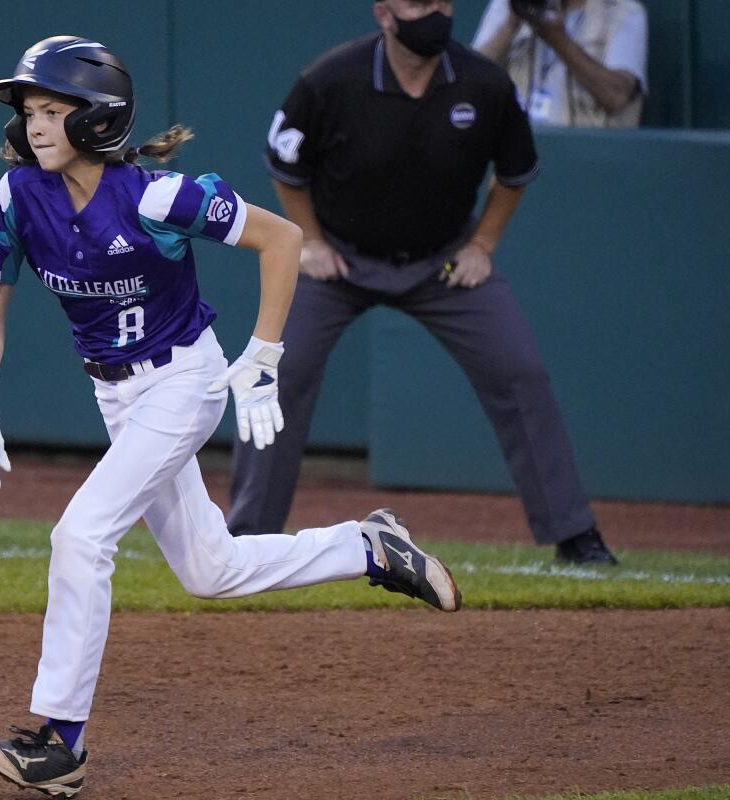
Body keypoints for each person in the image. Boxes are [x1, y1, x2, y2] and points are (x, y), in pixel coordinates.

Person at [0, 34, 462, 798]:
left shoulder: (156, 196)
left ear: (98, 119)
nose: (34, 124)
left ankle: (61, 744)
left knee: (81, 535)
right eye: (30, 109)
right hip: (116, 394)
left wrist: (262, 354)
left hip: (182, 383)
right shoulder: (20, 195)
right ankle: (369, 547)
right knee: (209, 570)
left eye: (54, 110)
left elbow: (283, 239)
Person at [228, 0, 619, 567]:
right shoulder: (331, 78)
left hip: (440, 262)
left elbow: (514, 175)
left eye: (442, 1)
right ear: (385, 14)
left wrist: (482, 246)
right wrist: (309, 241)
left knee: (519, 372)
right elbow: (286, 164)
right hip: (341, 259)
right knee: (279, 372)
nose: (434, 12)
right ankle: (248, 541)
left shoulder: (484, 84)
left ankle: (576, 535)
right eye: (418, 3)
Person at [472, 0, 648, 128]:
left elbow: (617, 96)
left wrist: (559, 40)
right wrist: (510, 27)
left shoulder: (623, 12)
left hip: (585, 158)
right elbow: (470, 83)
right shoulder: (509, 6)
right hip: (515, 153)